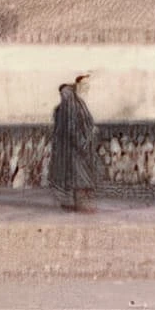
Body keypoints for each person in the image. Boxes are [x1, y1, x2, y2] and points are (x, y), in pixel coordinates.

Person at [51, 75, 100, 212]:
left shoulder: (76, 106)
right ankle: (73, 204)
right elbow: (62, 131)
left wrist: (85, 140)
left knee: (80, 178)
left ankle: (80, 204)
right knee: (72, 179)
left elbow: (83, 126)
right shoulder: (63, 109)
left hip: (76, 150)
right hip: (69, 151)